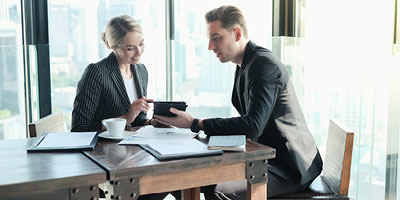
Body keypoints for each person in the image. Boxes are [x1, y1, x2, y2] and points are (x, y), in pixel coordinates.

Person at [155, 5, 323, 199]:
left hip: (290, 167)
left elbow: (252, 126)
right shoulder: (245, 63)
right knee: (182, 179)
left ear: (237, 33)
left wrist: (196, 123)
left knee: (216, 191)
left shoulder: (262, 65)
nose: (210, 46)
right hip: (263, 156)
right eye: (209, 39)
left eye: (216, 38)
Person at [71, 15, 167, 200]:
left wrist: (153, 122)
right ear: (113, 46)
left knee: (174, 179)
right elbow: (79, 129)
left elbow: (137, 121)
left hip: (135, 154)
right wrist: (125, 118)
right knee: (159, 186)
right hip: (105, 160)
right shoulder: (96, 72)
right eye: (130, 48)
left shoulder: (140, 70)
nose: (138, 52)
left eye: (142, 44)